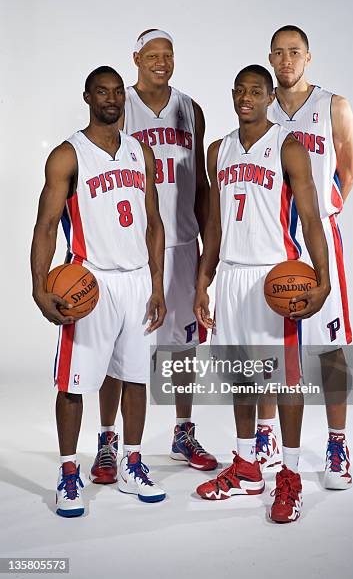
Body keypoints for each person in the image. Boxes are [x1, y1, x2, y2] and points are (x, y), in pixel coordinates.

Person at [194, 65, 330, 522]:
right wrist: (203, 281)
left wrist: (323, 277)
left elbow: (310, 218)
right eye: (240, 90)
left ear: (270, 96)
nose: (246, 97)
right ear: (232, 94)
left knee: (286, 381)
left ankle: (289, 477)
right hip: (231, 277)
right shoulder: (220, 150)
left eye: (256, 90)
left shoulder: (288, 147)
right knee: (241, 377)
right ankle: (248, 467)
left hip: (277, 280)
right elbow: (212, 224)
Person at [31, 66, 167, 517]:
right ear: (87, 96)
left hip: (137, 281)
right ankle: (69, 472)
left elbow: (155, 224)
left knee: (134, 377)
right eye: (101, 91)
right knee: (73, 384)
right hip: (88, 281)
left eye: (116, 92)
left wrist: (158, 285)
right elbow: (47, 225)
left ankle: (131, 461)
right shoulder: (68, 155)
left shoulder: (139, 152)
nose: (111, 98)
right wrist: (38, 286)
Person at [90, 29, 216, 485]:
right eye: (152, 56)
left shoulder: (191, 109)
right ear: (136, 59)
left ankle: (183, 433)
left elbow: (202, 184)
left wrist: (206, 256)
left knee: (182, 348)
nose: (161, 63)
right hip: (131, 249)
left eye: (168, 56)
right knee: (118, 350)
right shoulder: (119, 104)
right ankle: (108, 442)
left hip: (181, 244)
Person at [257, 25, 353, 489]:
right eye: (277, 53)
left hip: (319, 239)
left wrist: (319, 220)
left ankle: (337, 444)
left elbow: (348, 170)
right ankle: (265, 437)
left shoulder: (332, 105)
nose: (285, 61)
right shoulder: (261, 108)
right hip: (272, 241)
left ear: (309, 57)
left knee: (328, 347)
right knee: (270, 346)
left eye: (294, 52)